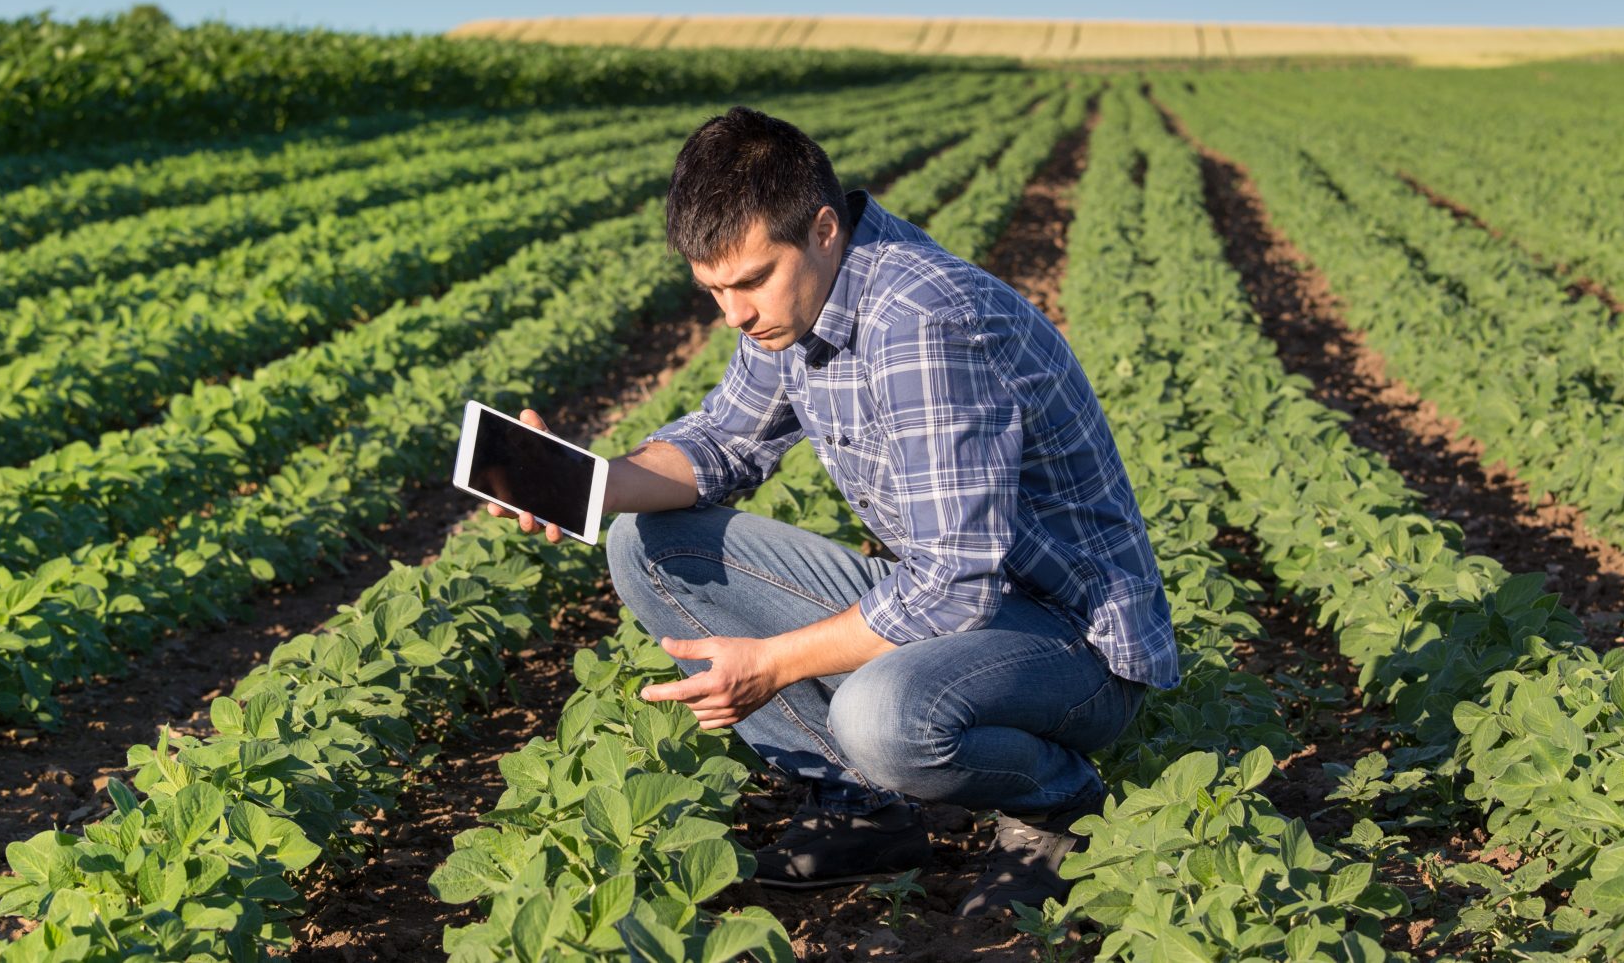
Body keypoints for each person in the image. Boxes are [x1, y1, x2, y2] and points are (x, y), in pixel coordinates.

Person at [488, 105, 1176, 918]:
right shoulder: (800, 301)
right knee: (647, 541)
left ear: (822, 228)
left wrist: (773, 662)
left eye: (749, 281)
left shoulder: (922, 322)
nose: (735, 314)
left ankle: (1057, 807)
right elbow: (720, 442)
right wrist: (581, 480)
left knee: (880, 714)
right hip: (965, 609)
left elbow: (954, 588)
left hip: (1072, 643)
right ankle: (866, 807)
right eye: (713, 290)